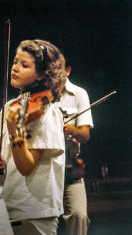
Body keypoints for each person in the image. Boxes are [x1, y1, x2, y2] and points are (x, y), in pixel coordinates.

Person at [0, 39, 67, 235]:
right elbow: (2, 149)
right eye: (15, 62)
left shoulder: (48, 113)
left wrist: (15, 132)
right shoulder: (11, 106)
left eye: (24, 65)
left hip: (35, 211)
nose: (15, 68)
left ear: (42, 74)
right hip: (6, 204)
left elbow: (26, 166)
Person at [55, 64, 94, 235]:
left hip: (70, 169)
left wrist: (72, 130)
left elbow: (84, 135)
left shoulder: (79, 94)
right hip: (42, 171)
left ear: (68, 70)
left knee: (79, 215)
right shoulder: (38, 95)